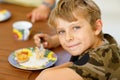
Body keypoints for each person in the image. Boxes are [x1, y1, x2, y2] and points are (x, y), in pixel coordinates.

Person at [34, 0, 120, 80]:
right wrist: (53, 41)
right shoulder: (104, 41)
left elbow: (45, 77)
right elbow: (75, 63)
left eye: (76, 28)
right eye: (62, 31)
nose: (68, 38)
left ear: (97, 27)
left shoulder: (99, 61)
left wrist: (45, 73)